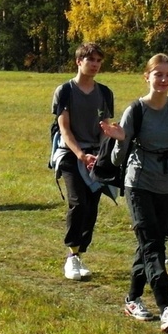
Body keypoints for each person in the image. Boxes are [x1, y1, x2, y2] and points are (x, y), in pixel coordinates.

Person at [102, 53, 168, 334]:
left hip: (166, 184)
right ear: (146, 77)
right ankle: (166, 306)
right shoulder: (135, 109)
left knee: (151, 241)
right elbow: (115, 160)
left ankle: (132, 299)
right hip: (138, 184)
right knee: (152, 244)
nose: (163, 80)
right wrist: (120, 140)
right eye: (157, 74)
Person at [50, 41, 115, 282]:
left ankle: (79, 253)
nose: (95, 65)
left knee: (92, 206)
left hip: (96, 156)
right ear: (79, 62)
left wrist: (101, 155)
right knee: (78, 203)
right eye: (91, 60)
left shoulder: (105, 93)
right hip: (70, 154)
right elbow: (64, 129)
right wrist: (80, 154)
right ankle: (71, 256)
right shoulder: (65, 91)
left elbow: (104, 127)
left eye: (99, 61)